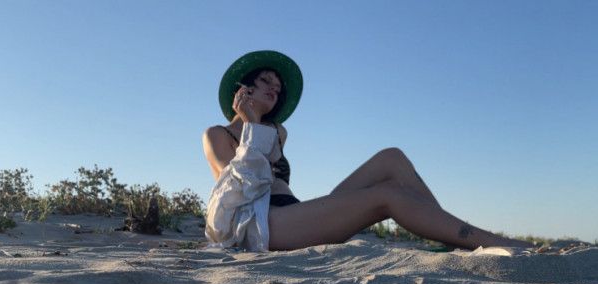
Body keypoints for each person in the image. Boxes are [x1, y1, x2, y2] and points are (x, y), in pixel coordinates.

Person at [203, 50, 531, 251]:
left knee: (392, 157)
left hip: (295, 214)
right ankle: (490, 241)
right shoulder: (217, 134)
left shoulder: (278, 132)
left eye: (278, 87)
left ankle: (448, 232)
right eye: (266, 82)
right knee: (386, 194)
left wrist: (260, 126)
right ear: (243, 88)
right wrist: (250, 125)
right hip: (262, 226)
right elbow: (238, 192)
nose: (275, 89)